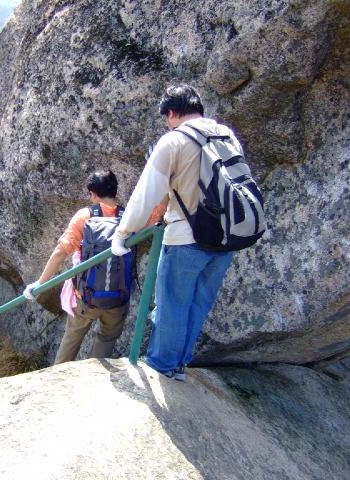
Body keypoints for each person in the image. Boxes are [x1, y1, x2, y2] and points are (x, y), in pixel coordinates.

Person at [111, 84, 238, 381]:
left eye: (166, 118)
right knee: (198, 305)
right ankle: (180, 364)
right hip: (227, 237)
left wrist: (123, 233)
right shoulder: (226, 135)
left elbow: (147, 193)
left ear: (171, 113)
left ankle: (163, 365)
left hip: (186, 239)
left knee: (172, 306)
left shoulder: (174, 141)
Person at [23, 170, 165, 364]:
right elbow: (160, 212)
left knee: (72, 336)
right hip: (118, 298)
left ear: (93, 194)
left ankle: (58, 373)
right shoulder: (130, 217)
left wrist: (39, 283)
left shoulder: (85, 217)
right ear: (115, 190)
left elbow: (60, 252)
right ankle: (92, 373)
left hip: (85, 299)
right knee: (107, 337)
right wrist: (167, 178)